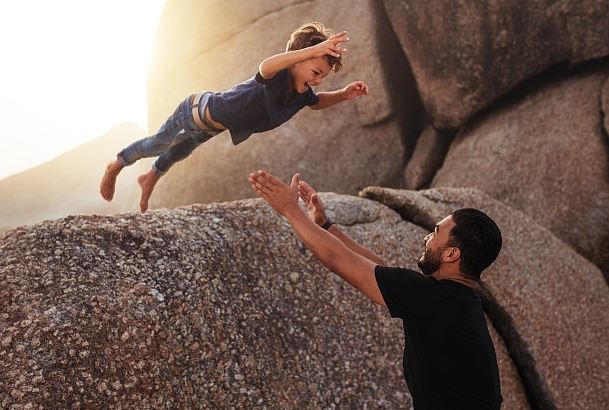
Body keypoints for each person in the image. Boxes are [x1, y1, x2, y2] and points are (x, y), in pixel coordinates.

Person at [248, 169, 503, 410]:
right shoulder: (456, 300)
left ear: (451, 253)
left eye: (436, 232)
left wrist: (291, 211)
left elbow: (339, 260)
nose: (427, 237)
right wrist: (324, 225)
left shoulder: (435, 299)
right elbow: (380, 270)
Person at [100, 22, 369, 212]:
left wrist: (344, 94)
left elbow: (318, 103)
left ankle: (149, 178)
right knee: (159, 144)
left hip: (209, 127)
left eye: (323, 76)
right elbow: (266, 66)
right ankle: (117, 163)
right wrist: (311, 50)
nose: (318, 80)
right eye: (316, 71)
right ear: (297, 61)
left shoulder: (300, 94)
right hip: (194, 110)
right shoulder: (276, 77)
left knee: (179, 152)